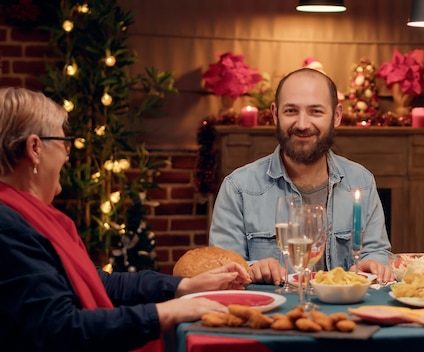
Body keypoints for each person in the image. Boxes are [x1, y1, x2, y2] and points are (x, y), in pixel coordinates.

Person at [0, 87, 251, 351]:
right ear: (35, 148)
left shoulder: (30, 215)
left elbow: (99, 283)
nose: (66, 155)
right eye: (64, 143)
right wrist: (166, 313)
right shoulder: (9, 227)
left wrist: (186, 285)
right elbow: (60, 328)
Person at [209, 68, 394, 285]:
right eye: (291, 111)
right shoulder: (238, 187)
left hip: (344, 313)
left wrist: (372, 264)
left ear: (336, 116)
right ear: (274, 113)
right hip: (270, 315)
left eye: (316, 111)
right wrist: (251, 268)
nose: (303, 124)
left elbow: (377, 251)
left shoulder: (362, 182)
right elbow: (221, 268)